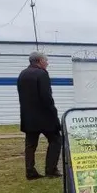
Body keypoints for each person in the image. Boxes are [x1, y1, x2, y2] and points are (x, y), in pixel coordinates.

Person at [16, 51, 62, 180]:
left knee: (30, 145)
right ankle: (51, 169)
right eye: (46, 61)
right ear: (40, 61)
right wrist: (53, 112)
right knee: (56, 140)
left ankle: (30, 171)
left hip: (28, 116)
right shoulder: (42, 74)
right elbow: (46, 96)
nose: (47, 63)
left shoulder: (23, 74)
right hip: (44, 116)